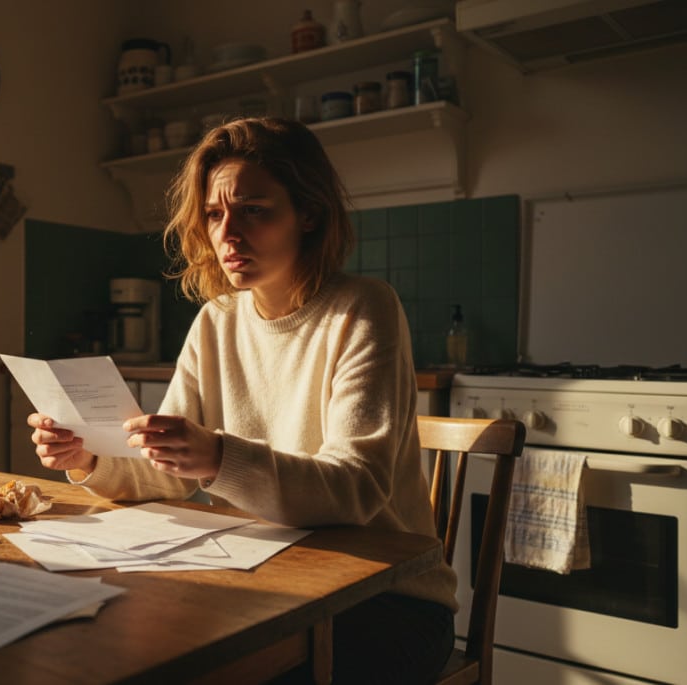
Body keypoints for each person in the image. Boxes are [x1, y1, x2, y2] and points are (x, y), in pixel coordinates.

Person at [27, 117, 455, 684]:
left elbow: (357, 489)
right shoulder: (216, 321)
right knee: (109, 638)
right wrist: (88, 459)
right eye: (213, 213)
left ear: (308, 213)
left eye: (254, 209)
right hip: (266, 581)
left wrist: (216, 457)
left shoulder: (363, 308)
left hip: (386, 599)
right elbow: (169, 472)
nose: (227, 233)